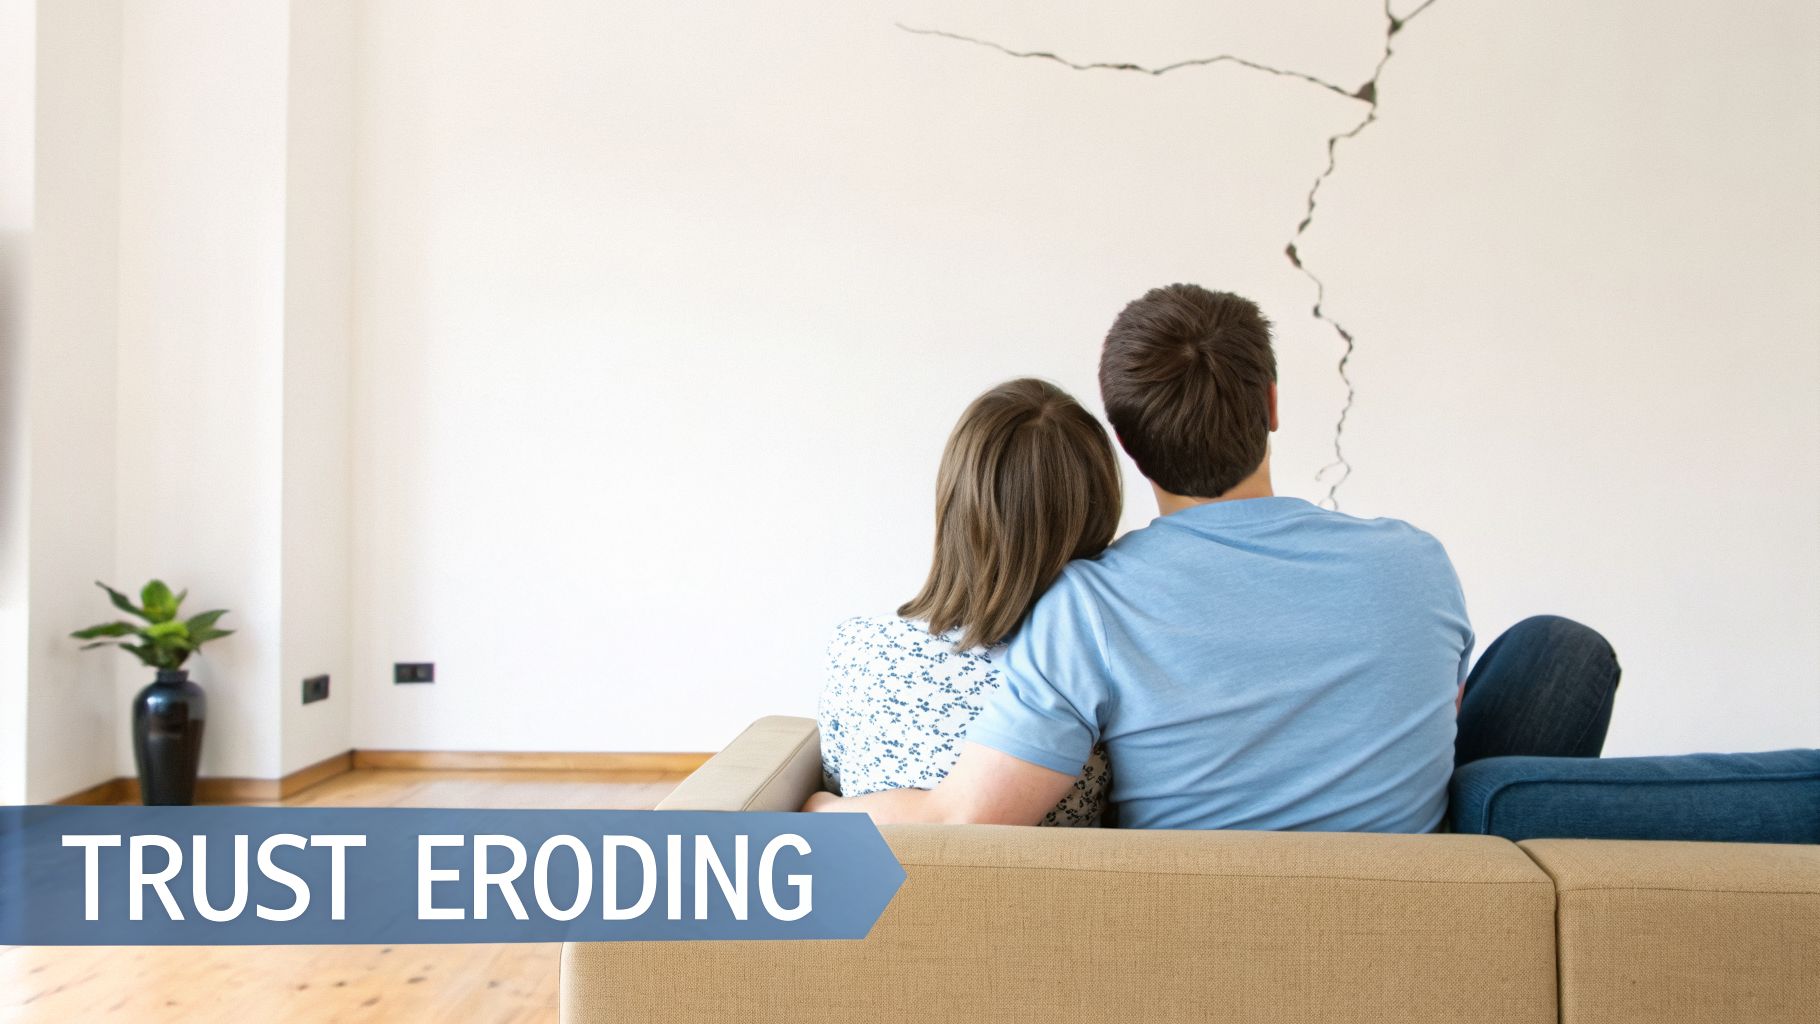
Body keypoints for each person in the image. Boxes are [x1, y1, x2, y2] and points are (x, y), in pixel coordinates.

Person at [806, 283, 1621, 829]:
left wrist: (822, 811)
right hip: (1421, 913)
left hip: (1214, 924)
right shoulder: (1417, 564)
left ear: (1127, 444)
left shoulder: (1089, 608)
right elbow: (1435, 718)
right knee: (1558, 650)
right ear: (1272, 405)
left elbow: (963, 820)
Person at [816, 378, 1122, 826]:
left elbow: (836, 781)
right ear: (1098, 510)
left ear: (954, 502)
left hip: (866, 872)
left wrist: (821, 810)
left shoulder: (855, 647)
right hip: (1053, 876)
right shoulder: (1098, 668)